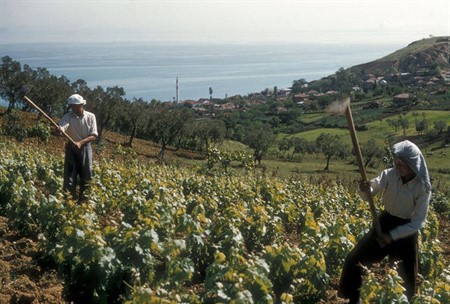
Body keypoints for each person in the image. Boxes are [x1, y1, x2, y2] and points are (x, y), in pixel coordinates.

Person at [338, 140, 431, 303]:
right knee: (354, 259)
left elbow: (417, 222)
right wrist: (365, 189)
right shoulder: (390, 174)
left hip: (406, 231)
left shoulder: (422, 187)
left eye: (401, 164)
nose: (398, 167)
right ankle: (353, 298)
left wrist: (392, 236)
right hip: (385, 222)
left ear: (412, 164)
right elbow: (371, 192)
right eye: (396, 162)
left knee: (406, 279)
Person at [59, 94, 98, 203]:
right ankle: (68, 201)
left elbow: (93, 135)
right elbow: (63, 126)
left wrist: (80, 143)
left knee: (86, 174)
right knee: (69, 175)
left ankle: (84, 201)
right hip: (71, 148)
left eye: (76, 106)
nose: (74, 109)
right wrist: (61, 129)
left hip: (85, 147)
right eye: (72, 106)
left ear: (82, 105)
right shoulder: (68, 116)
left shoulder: (91, 117)